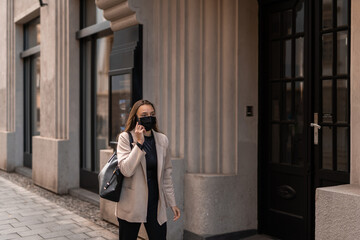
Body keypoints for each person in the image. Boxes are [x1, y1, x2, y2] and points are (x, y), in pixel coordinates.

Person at [116, 99, 181, 240]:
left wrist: (172, 203)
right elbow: (126, 170)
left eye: (152, 114)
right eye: (144, 115)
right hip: (132, 202)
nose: (149, 118)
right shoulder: (125, 138)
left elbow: (166, 175)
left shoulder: (162, 140)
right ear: (136, 118)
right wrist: (139, 144)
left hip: (155, 203)